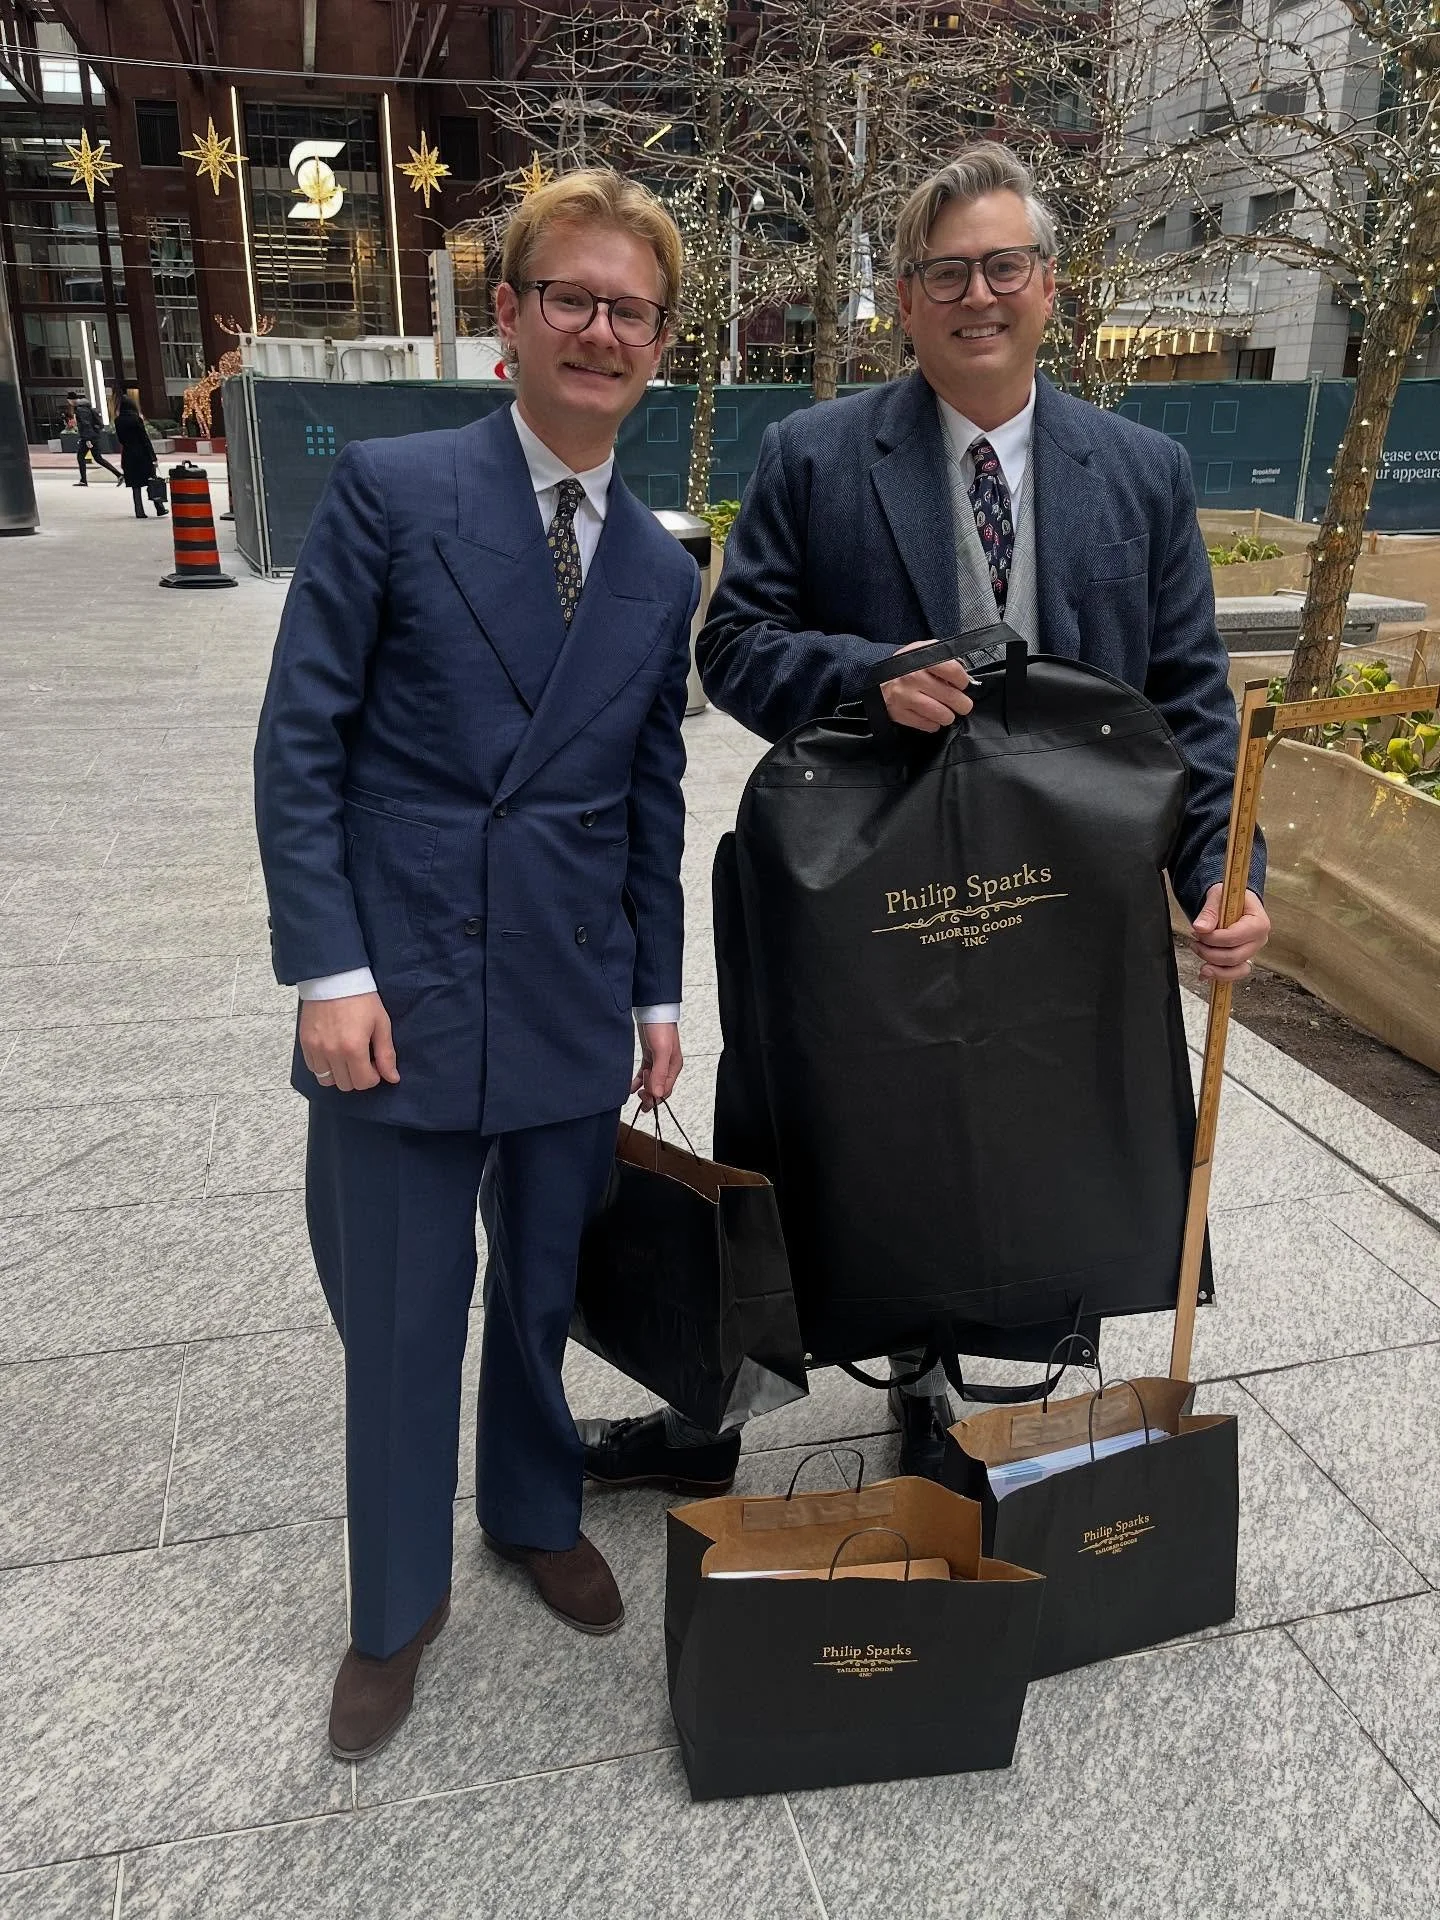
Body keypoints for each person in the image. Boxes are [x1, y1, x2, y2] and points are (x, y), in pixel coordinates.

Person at [581, 141, 1270, 1491]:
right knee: (848, 1135)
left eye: (1003, 264)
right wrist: (869, 679)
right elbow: (737, 649)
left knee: (1029, 1133)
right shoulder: (816, 457)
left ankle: (955, 1367)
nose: (978, 293)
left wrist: (1219, 876)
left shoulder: (1138, 470)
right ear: (901, 299)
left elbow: (1188, 696)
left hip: (1064, 899)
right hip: (870, 891)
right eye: (944, 271)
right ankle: (787, 1379)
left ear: (1050, 288)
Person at [253, 169, 698, 1762]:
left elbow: (651, 790)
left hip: (576, 985)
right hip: (407, 979)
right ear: (506, 318)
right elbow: (303, 740)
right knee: (400, 1302)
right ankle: (394, 1605)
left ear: (657, 343)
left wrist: (659, 992)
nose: (597, 329)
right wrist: (327, 968)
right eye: (567, 297)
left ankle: (530, 1504)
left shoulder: (658, 566)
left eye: (628, 309)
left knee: (544, 1286)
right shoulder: (394, 492)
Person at [113, 395, 166, 519]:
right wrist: (153, 457)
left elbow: (120, 439)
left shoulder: (118, 421)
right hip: (142, 454)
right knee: (151, 480)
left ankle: (139, 511)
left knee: (135, 485)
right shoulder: (136, 419)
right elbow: (145, 439)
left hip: (128, 455)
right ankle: (159, 508)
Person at [67, 390, 122, 486]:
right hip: (93, 435)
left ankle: (83, 480)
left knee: (81, 457)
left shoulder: (80, 409)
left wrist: (87, 439)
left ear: (71, 400)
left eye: (69, 401)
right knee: (98, 458)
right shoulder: (85, 407)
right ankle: (119, 475)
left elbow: (86, 424)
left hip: (88, 437)